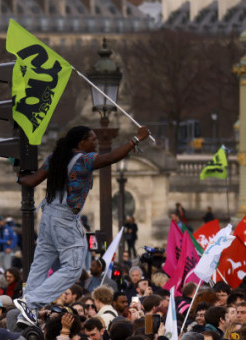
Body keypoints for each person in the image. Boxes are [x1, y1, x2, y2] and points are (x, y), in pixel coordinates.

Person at [14, 125, 150, 326]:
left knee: (40, 264)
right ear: (81, 143)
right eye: (92, 139)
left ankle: (26, 314)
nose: (95, 143)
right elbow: (110, 158)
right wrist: (135, 140)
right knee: (74, 267)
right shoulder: (84, 160)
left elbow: (32, 180)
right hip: (65, 219)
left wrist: (18, 175)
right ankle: (30, 302)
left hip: (48, 215)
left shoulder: (55, 158)